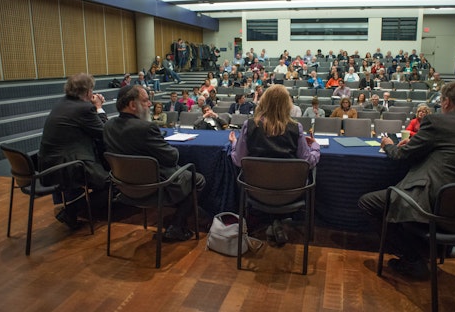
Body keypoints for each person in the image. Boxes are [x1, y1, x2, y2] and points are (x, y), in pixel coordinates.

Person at [358, 82, 455, 279]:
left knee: (368, 203)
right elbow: (450, 150)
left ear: (446, 102)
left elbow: (400, 155)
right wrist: (417, 143)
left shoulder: (437, 122)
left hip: (436, 206)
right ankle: (433, 249)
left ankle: (412, 258)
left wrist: (388, 144)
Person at [104, 85, 206, 242]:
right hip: (155, 188)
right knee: (197, 179)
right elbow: (172, 158)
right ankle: (177, 226)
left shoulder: (108, 126)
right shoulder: (146, 128)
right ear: (132, 105)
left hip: (123, 187)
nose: (150, 105)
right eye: (145, 101)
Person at [38, 73, 109, 229]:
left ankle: (84, 209)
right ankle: (71, 211)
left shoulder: (61, 103)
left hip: (48, 164)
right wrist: (99, 108)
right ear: (88, 92)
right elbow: (104, 133)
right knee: (113, 182)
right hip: (66, 166)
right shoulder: (84, 108)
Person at [228, 84, 320, 169]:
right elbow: (308, 162)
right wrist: (315, 145)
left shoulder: (249, 125)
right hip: (289, 184)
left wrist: (234, 144)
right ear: (287, 105)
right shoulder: (296, 127)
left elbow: (238, 160)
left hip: (255, 184)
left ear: (264, 102)